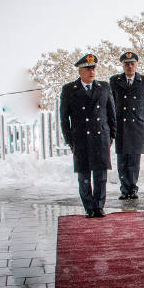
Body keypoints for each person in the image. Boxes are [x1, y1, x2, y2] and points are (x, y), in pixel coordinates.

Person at [59, 53, 116, 218]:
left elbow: (111, 114)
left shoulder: (104, 87)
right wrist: (70, 140)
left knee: (100, 176)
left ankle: (99, 206)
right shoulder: (70, 90)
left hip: (100, 138)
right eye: (87, 69)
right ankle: (88, 207)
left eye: (93, 68)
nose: (91, 71)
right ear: (80, 71)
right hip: (81, 138)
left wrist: (110, 136)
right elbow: (64, 119)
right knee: (84, 176)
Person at [109, 51, 144, 200]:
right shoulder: (115, 81)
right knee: (122, 160)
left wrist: (143, 124)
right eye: (127, 64)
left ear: (136, 65)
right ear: (123, 66)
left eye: (132, 64)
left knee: (134, 160)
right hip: (120, 125)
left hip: (136, 126)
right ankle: (124, 189)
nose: (130, 66)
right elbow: (111, 104)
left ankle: (132, 188)